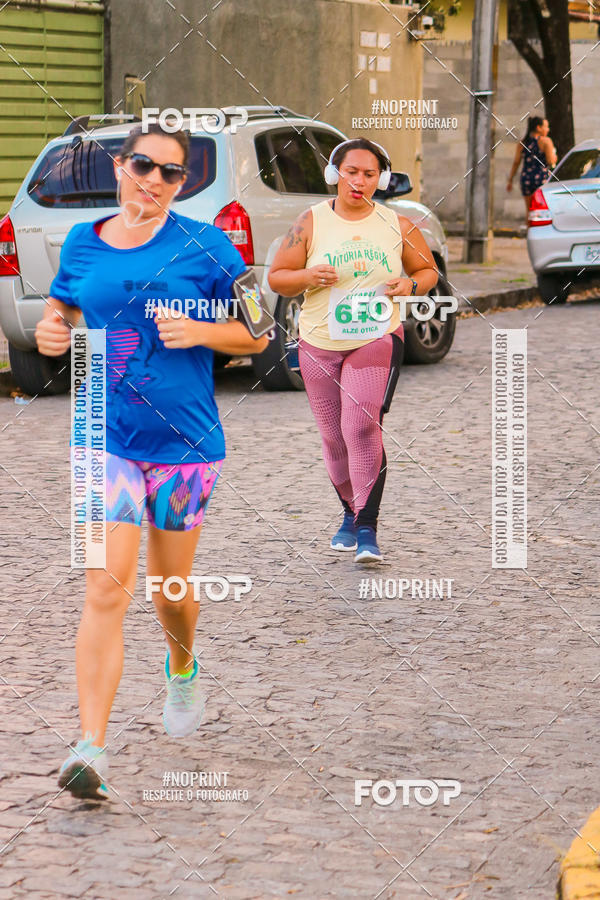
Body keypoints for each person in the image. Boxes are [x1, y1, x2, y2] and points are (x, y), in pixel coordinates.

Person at [35, 122, 268, 800]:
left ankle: (182, 663)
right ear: (120, 166)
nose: (156, 181)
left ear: (183, 183)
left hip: (184, 444)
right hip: (100, 437)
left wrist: (203, 331)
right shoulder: (82, 242)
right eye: (145, 165)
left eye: (172, 173)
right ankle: (91, 748)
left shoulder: (208, 245)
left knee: (170, 589)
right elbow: (62, 311)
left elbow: (260, 332)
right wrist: (54, 331)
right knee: (106, 587)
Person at [268, 138, 439, 563]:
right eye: (351, 172)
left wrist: (410, 284)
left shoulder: (398, 224)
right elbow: (277, 277)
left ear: (381, 179)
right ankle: (350, 512)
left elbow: (428, 271)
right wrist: (307, 276)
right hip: (319, 342)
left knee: (361, 425)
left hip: (376, 336)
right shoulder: (310, 222)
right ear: (335, 175)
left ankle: (367, 527)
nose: (359, 181)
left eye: (369, 174)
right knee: (333, 436)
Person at [507, 116, 557, 219]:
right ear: (539, 128)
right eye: (546, 127)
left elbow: (516, 162)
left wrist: (510, 180)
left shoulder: (523, 143)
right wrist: (555, 155)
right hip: (542, 179)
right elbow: (551, 161)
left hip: (526, 179)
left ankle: (529, 228)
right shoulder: (546, 141)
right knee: (543, 210)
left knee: (529, 211)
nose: (548, 130)